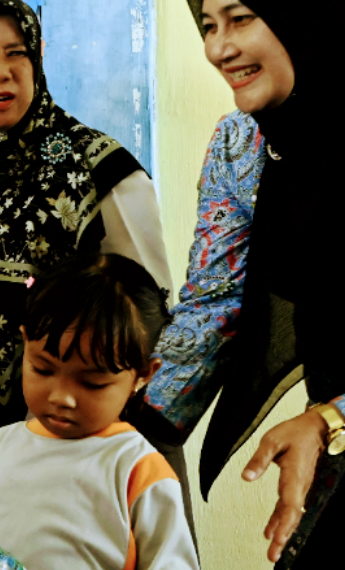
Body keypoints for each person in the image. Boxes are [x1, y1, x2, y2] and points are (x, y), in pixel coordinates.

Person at [0, 0, 171, 431]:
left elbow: (150, 317)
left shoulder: (98, 170)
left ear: (36, 62)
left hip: (88, 428)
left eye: (16, 53)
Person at [140, 0, 344, 567]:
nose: (218, 48)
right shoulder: (242, 146)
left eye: (241, 18)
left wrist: (334, 418)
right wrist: (116, 425)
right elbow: (217, 299)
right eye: (208, 25)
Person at [0, 253, 198, 570]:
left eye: (92, 383)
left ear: (143, 374)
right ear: (26, 342)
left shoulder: (138, 469)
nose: (62, 397)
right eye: (42, 369)